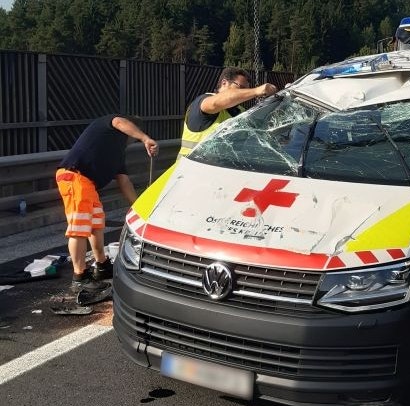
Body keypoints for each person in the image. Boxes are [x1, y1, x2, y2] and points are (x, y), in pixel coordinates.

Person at [56, 115, 158, 305]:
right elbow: (119, 121)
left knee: (96, 224)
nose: (132, 140)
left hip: (87, 183)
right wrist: (145, 138)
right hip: (75, 176)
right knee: (79, 228)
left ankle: (101, 265)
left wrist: (138, 207)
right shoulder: (109, 126)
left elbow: (124, 180)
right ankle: (80, 277)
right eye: (134, 137)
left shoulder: (118, 153)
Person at [177, 67, 278, 159]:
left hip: (217, 172)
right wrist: (256, 91)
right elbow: (216, 102)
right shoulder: (204, 101)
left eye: (246, 89)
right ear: (224, 83)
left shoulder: (239, 111)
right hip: (186, 173)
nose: (245, 92)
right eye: (241, 88)